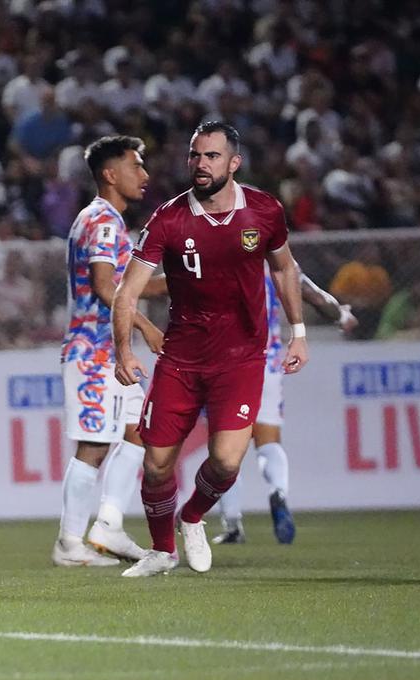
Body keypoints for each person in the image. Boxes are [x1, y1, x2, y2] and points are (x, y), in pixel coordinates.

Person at [112, 121, 308, 577]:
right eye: (195, 155)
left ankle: (192, 516)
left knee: (225, 460)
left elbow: (283, 270)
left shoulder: (263, 211)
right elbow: (127, 292)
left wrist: (298, 330)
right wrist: (124, 349)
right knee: (157, 464)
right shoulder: (168, 218)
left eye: (212, 156)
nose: (201, 164)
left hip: (241, 357)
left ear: (233, 163)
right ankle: (163, 551)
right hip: (180, 358)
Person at [54, 135, 164, 567]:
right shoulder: (102, 222)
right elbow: (105, 287)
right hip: (93, 351)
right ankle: (69, 544)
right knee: (95, 445)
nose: (145, 175)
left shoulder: (107, 220)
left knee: (140, 430)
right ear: (110, 174)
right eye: (136, 166)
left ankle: (109, 525)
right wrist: (147, 325)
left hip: (107, 351)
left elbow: (126, 287)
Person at [212, 266, 357, 544]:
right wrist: (342, 315)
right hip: (266, 362)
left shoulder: (217, 250)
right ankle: (278, 492)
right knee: (268, 440)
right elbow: (315, 296)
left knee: (225, 447)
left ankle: (232, 524)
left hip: (224, 361)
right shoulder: (275, 262)